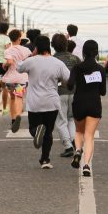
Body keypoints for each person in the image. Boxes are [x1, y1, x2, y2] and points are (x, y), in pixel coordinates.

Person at [17, 35, 71, 169]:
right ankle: (45, 160)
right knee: (48, 133)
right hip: (52, 102)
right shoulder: (58, 63)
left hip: (35, 103)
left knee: (33, 128)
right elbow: (68, 79)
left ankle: (36, 131)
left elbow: (19, 68)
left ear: (36, 47)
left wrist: (31, 55)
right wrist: (58, 81)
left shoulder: (31, 61)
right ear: (49, 46)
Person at [68, 40, 106, 176]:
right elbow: (103, 92)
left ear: (83, 52)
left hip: (79, 102)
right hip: (94, 103)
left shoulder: (77, 68)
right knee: (89, 136)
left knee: (79, 131)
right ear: (96, 52)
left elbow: (70, 85)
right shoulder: (100, 69)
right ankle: (86, 166)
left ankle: (78, 150)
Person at [52, 33, 79, 158]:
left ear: (53, 45)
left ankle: (68, 146)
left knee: (61, 120)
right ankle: (74, 141)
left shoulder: (52, 59)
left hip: (59, 92)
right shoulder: (75, 58)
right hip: (74, 92)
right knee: (71, 118)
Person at [2, 29, 32, 134]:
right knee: (19, 97)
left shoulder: (8, 50)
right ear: (19, 38)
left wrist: (4, 64)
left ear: (10, 39)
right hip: (21, 79)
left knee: (12, 97)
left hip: (10, 79)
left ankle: (13, 119)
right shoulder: (26, 50)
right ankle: (18, 114)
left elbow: (9, 62)